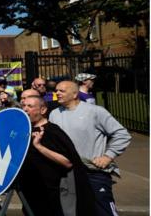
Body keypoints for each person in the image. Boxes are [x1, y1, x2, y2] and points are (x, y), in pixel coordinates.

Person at [49, 81, 131, 216]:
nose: (57, 93)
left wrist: (108, 156)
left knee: (102, 210)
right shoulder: (54, 114)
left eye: (62, 91)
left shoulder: (95, 111)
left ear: (75, 94)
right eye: (56, 90)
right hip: (67, 174)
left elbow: (122, 134)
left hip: (93, 172)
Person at [18, 90, 95, 216]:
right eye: (24, 106)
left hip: (51, 193)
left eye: (30, 106)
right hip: (31, 191)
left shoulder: (52, 132)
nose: (25, 109)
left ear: (43, 110)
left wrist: (39, 147)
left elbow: (67, 162)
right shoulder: (25, 130)